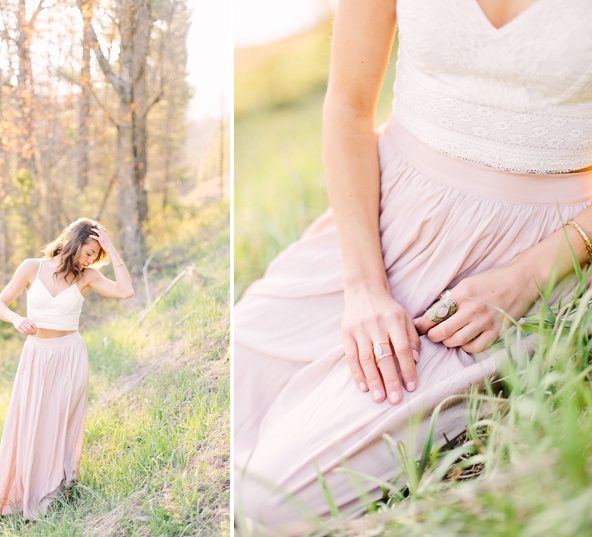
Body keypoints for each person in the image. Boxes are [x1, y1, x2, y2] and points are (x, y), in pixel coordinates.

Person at [234, 0, 592, 533]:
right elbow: (350, 108)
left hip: (533, 248)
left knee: (274, 501)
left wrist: (532, 274)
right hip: (385, 215)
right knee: (236, 367)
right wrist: (364, 288)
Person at [0, 218, 134, 521]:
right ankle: (23, 491)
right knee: (30, 422)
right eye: (89, 251)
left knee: (58, 423)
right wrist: (17, 320)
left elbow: (125, 292)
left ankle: (54, 489)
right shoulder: (32, 267)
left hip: (69, 356)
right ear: (74, 240)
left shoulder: (88, 277)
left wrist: (111, 248)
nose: (90, 259)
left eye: (95, 255)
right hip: (36, 355)